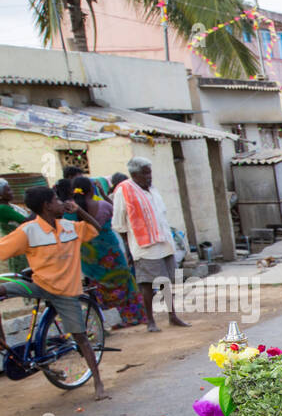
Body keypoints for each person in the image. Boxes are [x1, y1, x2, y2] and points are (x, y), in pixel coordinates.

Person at [0, 185, 109, 399]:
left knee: (80, 337)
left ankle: (98, 383)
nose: (61, 204)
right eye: (57, 201)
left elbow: (95, 228)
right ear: (47, 206)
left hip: (66, 292)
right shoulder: (28, 231)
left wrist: (79, 210)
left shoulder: (69, 226)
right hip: (39, 285)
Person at [112, 156, 189, 332]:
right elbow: (119, 224)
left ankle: (172, 316)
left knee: (166, 282)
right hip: (144, 246)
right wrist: (130, 246)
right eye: (145, 173)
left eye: (150, 172)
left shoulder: (152, 189)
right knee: (146, 283)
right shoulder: (123, 191)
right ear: (134, 174)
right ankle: (150, 321)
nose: (149, 176)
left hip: (163, 242)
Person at [68, 176, 146, 327]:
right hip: (110, 252)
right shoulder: (103, 205)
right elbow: (120, 215)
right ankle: (131, 316)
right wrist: (104, 195)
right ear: (92, 189)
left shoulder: (72, 212)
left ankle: (108, 319)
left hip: (88, 256)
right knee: (124, 281)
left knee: (98, 285)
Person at [0, 179, 30, 274]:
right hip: (17, 244)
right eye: (8, 190)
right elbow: (26, 221)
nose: (12, 192)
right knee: (21, 271)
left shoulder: (9, 206)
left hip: (18, 243)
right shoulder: (3, 208)